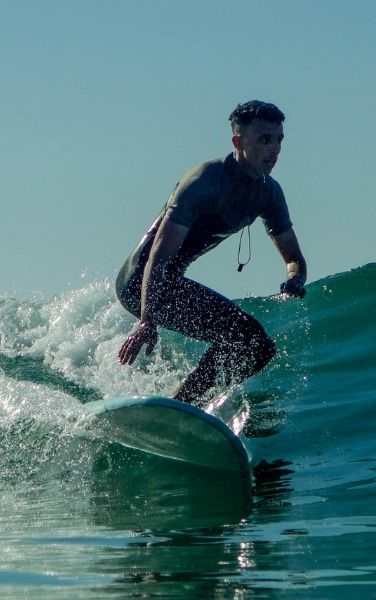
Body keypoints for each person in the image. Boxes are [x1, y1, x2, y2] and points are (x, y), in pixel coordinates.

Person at [115, 100, 308, 407]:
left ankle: (184, 408)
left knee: (257, 345)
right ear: (238, 141)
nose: (275, 150)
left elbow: (294, 259)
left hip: (170, 284)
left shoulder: (269, 193)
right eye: (264, 139)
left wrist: (295, 279)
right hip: (141, 282)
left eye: (279, 140)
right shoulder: (203, 183)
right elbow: (158, 258)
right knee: (248, 339)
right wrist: (147, 320)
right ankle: (180, 408)